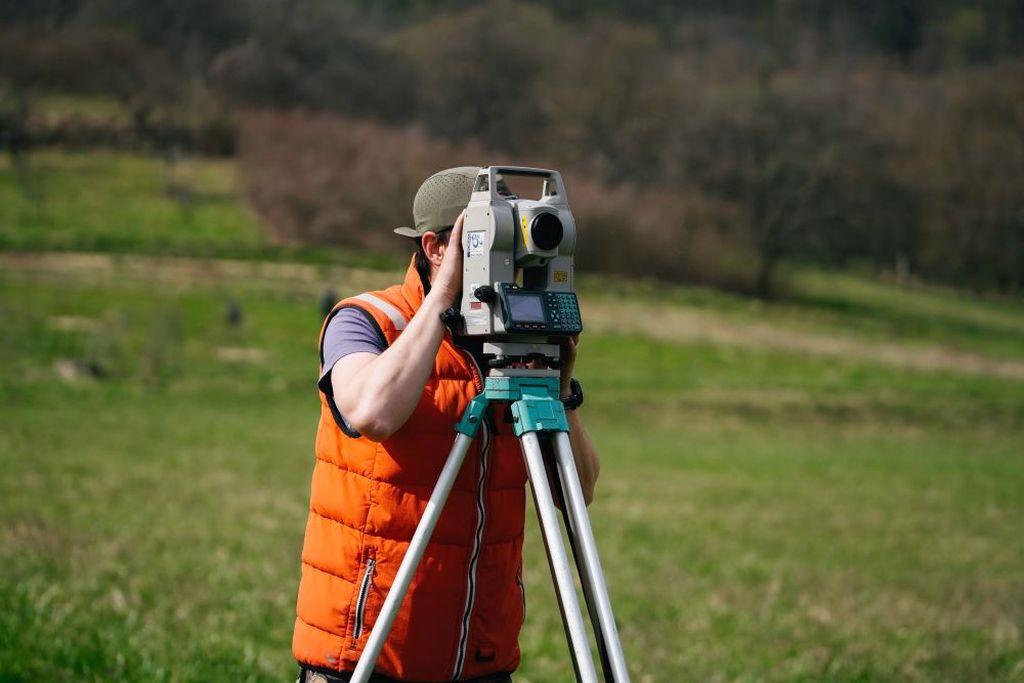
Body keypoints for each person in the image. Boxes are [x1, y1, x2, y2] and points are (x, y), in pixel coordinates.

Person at [293, 167, 600, 683]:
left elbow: (575, 494)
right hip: (370, 652)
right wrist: (441, 301)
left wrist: (560, 389)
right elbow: (371, 413)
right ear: (435, 247)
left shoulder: (512, 343)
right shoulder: (365, 320)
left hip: (480, 656)